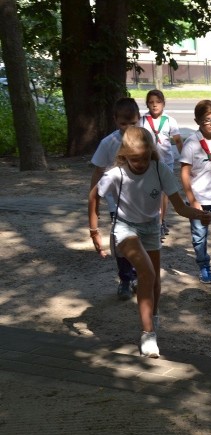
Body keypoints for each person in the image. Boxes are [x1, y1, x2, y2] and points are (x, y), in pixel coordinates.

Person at [88, 127, 211, 358]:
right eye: (135, 159)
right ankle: (148, 333)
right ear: (124, 155)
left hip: (151, 227)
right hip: (125, 227)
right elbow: (94, 195)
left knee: (154, 280)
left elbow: (180, 207)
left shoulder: (159, 168)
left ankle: (152, 318)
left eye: (145, 157)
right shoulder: (117, 173)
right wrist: (94, 231)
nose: (140, 163)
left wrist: (199, 214)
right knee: (147, 273)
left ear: (151, 152)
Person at [90, 97, 142, 301]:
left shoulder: (145, 138)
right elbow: (98, 172)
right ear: (115, 120)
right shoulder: (109, 142)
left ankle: (139, 275)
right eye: (123, 123)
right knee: (123, 243)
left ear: (139, 119)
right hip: (118, 204)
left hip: (142, 202)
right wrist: (95, 199)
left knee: (141, 242)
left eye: (133, 123)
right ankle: (126, 279)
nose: (129, 128)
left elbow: (157, 167)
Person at [179, 101, 211, 284]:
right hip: (199, 199)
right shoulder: (192, 144)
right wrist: (193, 200)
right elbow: (185, 173)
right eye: (207, 120)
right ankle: (204, 266)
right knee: (199, 237)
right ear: (198, 121)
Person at [139, 89, 183, 239]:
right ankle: (151, 220)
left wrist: (185, 159)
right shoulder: (142, 121)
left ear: (163, 104)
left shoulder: (170, 120)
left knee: (165, 193)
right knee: (150, 192)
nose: (154, 105)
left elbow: (177, 140)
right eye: (151, 102)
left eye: (158, 102)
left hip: (167, 163)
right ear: (147, 104)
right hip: (148, 163)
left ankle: (161, 221)